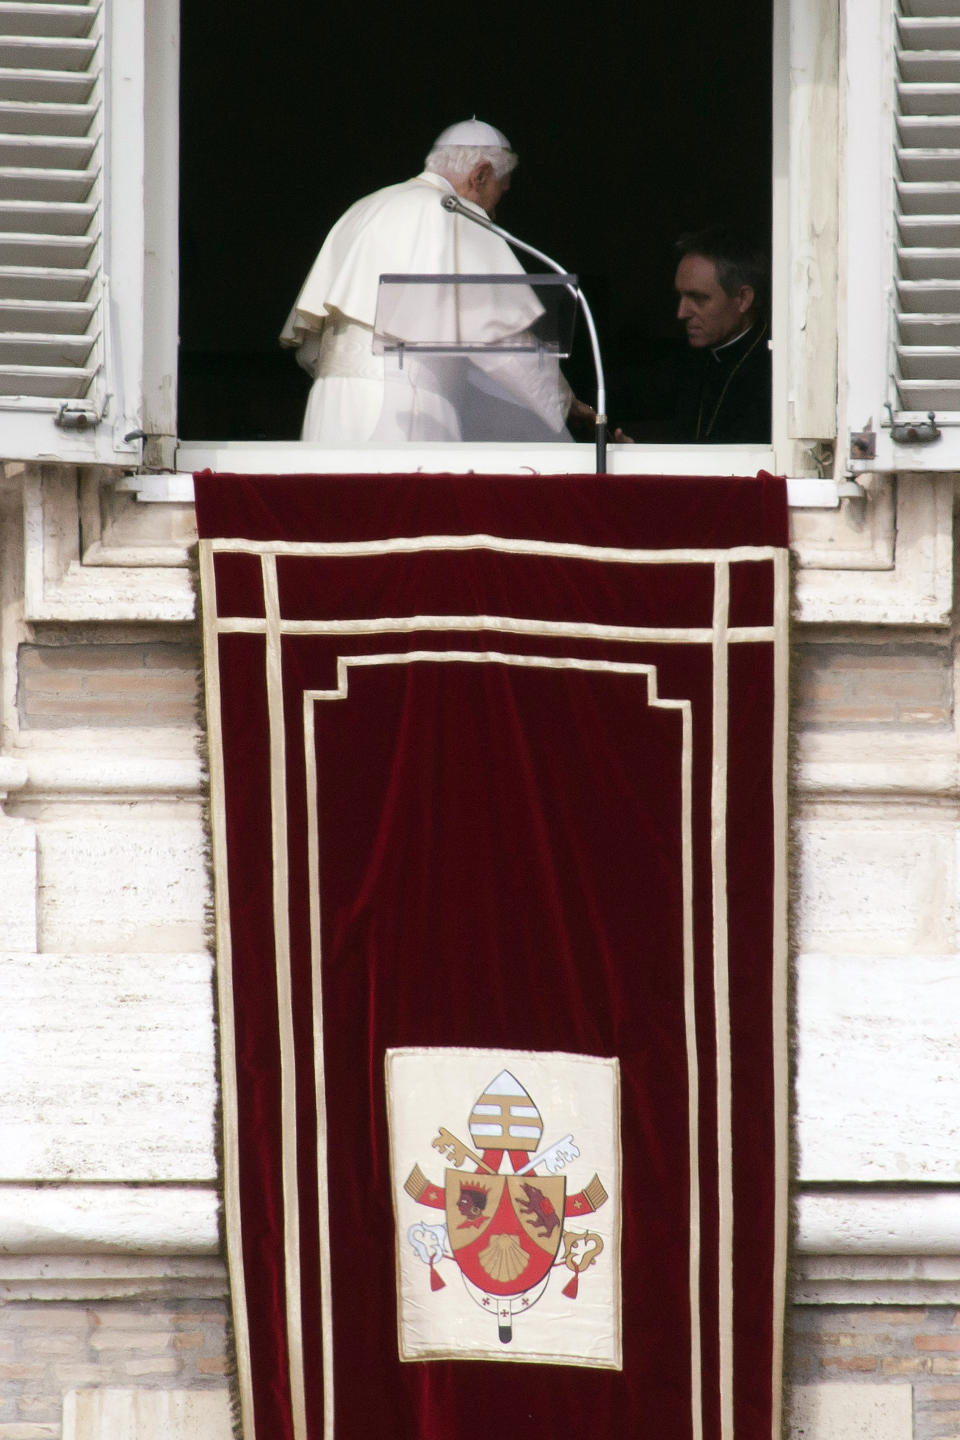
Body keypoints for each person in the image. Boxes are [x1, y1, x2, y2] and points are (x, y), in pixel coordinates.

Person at [280, 119, 588, 443]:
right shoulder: (454, 212)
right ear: (480, 175)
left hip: (327, 406)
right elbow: (503, 343)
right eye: (500, 192)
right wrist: (566, 403)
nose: (495, 213)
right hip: (405, 409)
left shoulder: (361, 209)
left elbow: (309, 350)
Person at [614, 227, 770, 444]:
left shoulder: (774, 374)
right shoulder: (685, 362)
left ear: (743, 299)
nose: (681, 313)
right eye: (681, 296)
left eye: (698, 298)